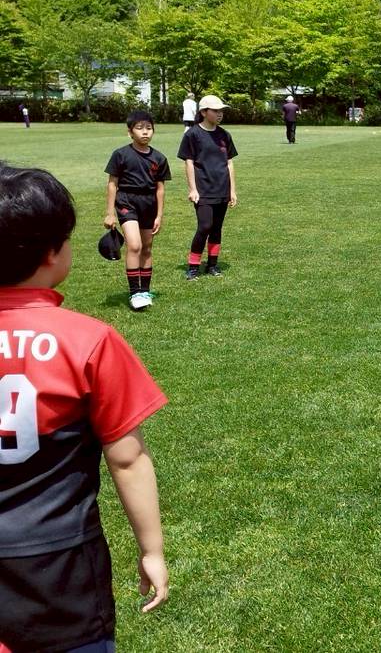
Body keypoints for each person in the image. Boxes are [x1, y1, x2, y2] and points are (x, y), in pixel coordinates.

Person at [0, 164, 168, 651]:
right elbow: (127, 458)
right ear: (53, 253)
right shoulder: (89, 341)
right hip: (59, 565)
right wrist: (152, 549)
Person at [104, 110, 171, 310]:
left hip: (149, 204)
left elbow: (160, 189)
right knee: (134, 246)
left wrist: (159, 215)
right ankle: (135, 293)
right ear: (130, 132)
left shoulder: (159, 158)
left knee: (147, 248)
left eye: (149, 128)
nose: (145, 132)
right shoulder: (120, 154)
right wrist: (110, 213)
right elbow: (112, 184)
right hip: (126, 201)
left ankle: (144, 291)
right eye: (140, 128)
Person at [177, 95, 238, 281]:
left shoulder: (224, 135)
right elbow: (188, 162)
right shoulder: (193, 134)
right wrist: (192, 189)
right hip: (203, 189)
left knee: (217, 228)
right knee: (204, 226)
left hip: (222, 188)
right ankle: (193, 266)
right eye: (215, 111)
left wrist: (232, 190)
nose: (220, 114)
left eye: (221, 111)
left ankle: (212, 264)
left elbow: (229, 163)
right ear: (204, 112)